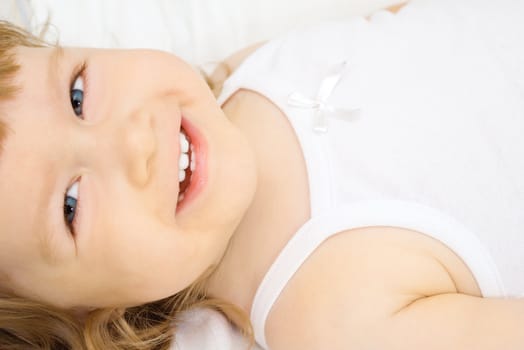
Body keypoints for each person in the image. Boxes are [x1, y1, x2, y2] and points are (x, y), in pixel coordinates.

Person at [0, 0, 523, 349]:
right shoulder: (325, 315)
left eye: (77, 93)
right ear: (82, 321)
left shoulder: (246, 72)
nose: (135, 142)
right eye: (70, 205)